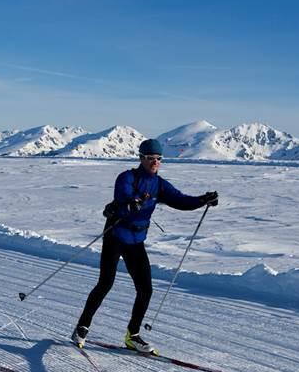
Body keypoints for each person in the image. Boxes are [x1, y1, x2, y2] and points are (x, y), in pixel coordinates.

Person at [72, 138, 218, 354]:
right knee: (105, 283)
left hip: (136, 242)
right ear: (141, 158)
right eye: (150, 158)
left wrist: (203, 200)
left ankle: (132, 336)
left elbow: (180, 201)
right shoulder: (127, 177)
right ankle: (82, 327)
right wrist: (130, 202)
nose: (155, 162)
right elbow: (122, 195)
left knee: (145, 290)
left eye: (159, 159)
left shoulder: (159, 184)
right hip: (115, 237)